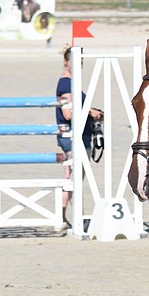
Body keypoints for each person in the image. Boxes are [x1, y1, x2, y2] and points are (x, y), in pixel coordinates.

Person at [56, 45, 103, 227]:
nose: (79, 64)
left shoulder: (71, 82)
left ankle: (71, 215)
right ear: (66, 62)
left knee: (72, 176)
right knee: (73, 177)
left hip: (79, 135)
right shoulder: (66, 83)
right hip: (73, 136)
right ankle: (69, 216)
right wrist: (91, 112)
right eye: (75, 61)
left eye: (81, 61)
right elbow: (68, 113)